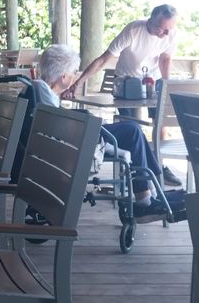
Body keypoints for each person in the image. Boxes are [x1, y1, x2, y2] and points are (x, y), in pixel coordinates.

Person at [35, 44, 167, 219]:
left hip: (75, 133)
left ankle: (151, 189)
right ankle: (147, 195)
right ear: (64, 76)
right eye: (74, 72)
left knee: (134, 131)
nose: (75, 76)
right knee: (133, 130)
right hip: (79, 138)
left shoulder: (40, 89)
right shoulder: (45, 92)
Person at [63, 4, 181, 186]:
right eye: (162, 29)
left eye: (169, 29)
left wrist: (167, 86)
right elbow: (103, 59)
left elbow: (165, 60)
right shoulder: (133, 30)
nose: (166, 34)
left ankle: (159, 164)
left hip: (153, 79)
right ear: (150, 21)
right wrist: (78, 83)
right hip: (126, 82)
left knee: (161, 122)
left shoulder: (171, 33)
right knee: (131, 128)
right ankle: (133, 173)